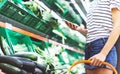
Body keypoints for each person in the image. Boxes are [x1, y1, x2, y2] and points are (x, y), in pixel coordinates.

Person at [64, 0, 120, 74]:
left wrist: (103, 53)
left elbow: (118, 25)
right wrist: (80, 29)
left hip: (102, 45)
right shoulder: (93, 3)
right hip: (90, 46)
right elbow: (97, 29)